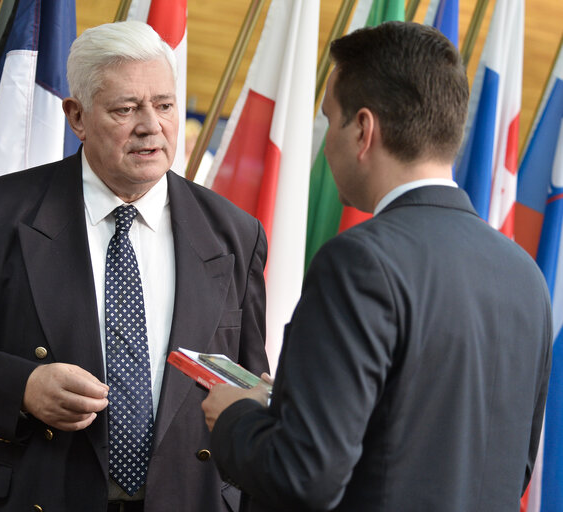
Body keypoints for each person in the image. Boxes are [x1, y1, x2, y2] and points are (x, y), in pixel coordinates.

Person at [0, 21, 268, 512]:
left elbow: (247, 380)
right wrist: (24, 387)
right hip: (42, 494)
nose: (151, 126)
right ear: (77, 116)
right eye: (125, 109)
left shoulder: (235, 233)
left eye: (163, 104)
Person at [202, 21, 552, 512]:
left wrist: (237, 416)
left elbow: (304, 476)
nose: (324, 145)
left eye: (329, 120)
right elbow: (505, 466)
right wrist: (288, 407)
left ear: (364, 130)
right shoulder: (525, 276)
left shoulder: (359, 262)